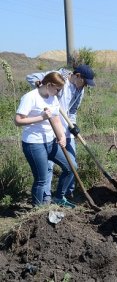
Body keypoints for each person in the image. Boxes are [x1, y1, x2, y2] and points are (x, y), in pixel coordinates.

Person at [26, 64, 96, 202]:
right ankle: (46, 197)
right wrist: (39, 84)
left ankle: (66, 194)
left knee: (71, 162)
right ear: (77, 76)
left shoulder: (80, 89)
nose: (85, 86)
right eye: (84, 82)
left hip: (66, 130)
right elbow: (31, 77)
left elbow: (73, 110)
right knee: (48, 166)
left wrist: (73, 124)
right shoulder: (59, 78)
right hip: (50, 128)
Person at [15, 72, 76, 207]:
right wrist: (41, 117)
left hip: (50, 142)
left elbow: (55, 119)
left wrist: (61, 137)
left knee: (71, 167)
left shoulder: (52, 98)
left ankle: (59, 197)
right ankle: (38, 210)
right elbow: (18, 120)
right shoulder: (30, 97)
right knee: (41, 179)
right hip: (33, 144)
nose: (59, 93)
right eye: (58, 89)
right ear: (49, 85)